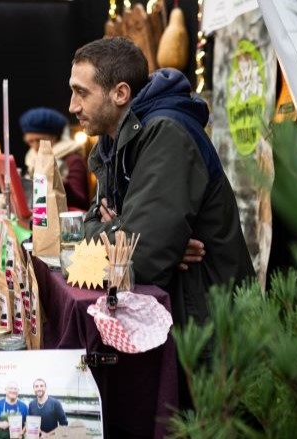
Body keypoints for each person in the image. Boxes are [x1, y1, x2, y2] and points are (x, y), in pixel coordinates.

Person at [70, 37, 255, 330]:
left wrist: (135, 236)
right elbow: (88, 228)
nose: (73, 106)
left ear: (119, 93)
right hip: (179, 318)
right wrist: (130, 233)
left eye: (81, 92)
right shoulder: (114, 140)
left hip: (211, 333)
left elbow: (142, 258)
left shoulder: (167, 133)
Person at [20, 107, 90, 211]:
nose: (35, 146)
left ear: (54, 138)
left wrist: (61, 183)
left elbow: (81, 201)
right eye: (30, 141)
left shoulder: (73, 160)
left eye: (39, 140)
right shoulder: (32, 159)